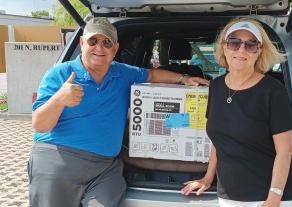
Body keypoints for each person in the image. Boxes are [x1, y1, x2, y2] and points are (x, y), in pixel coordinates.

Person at [28, 17, 209, 207]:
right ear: (81, 42)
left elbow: (153, 74)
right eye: (93, 41)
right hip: (59, 161)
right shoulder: (59, 74)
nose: (99, 48)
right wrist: (59, 99)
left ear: (115, 49)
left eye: (107, 42)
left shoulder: (123, 72)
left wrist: (184, 79)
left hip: (105, 168)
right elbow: (40, 124)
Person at [181, 18, 292, 207]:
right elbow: (219, 140)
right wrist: (207, 178)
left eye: (251, 45)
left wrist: (274, 199)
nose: (241, 50)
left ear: (259, 51)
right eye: (234, 43)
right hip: (229, 194)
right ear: (224, 48)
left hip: (267, 195)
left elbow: (285, 150)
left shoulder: (273, 90)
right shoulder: (216, 86)